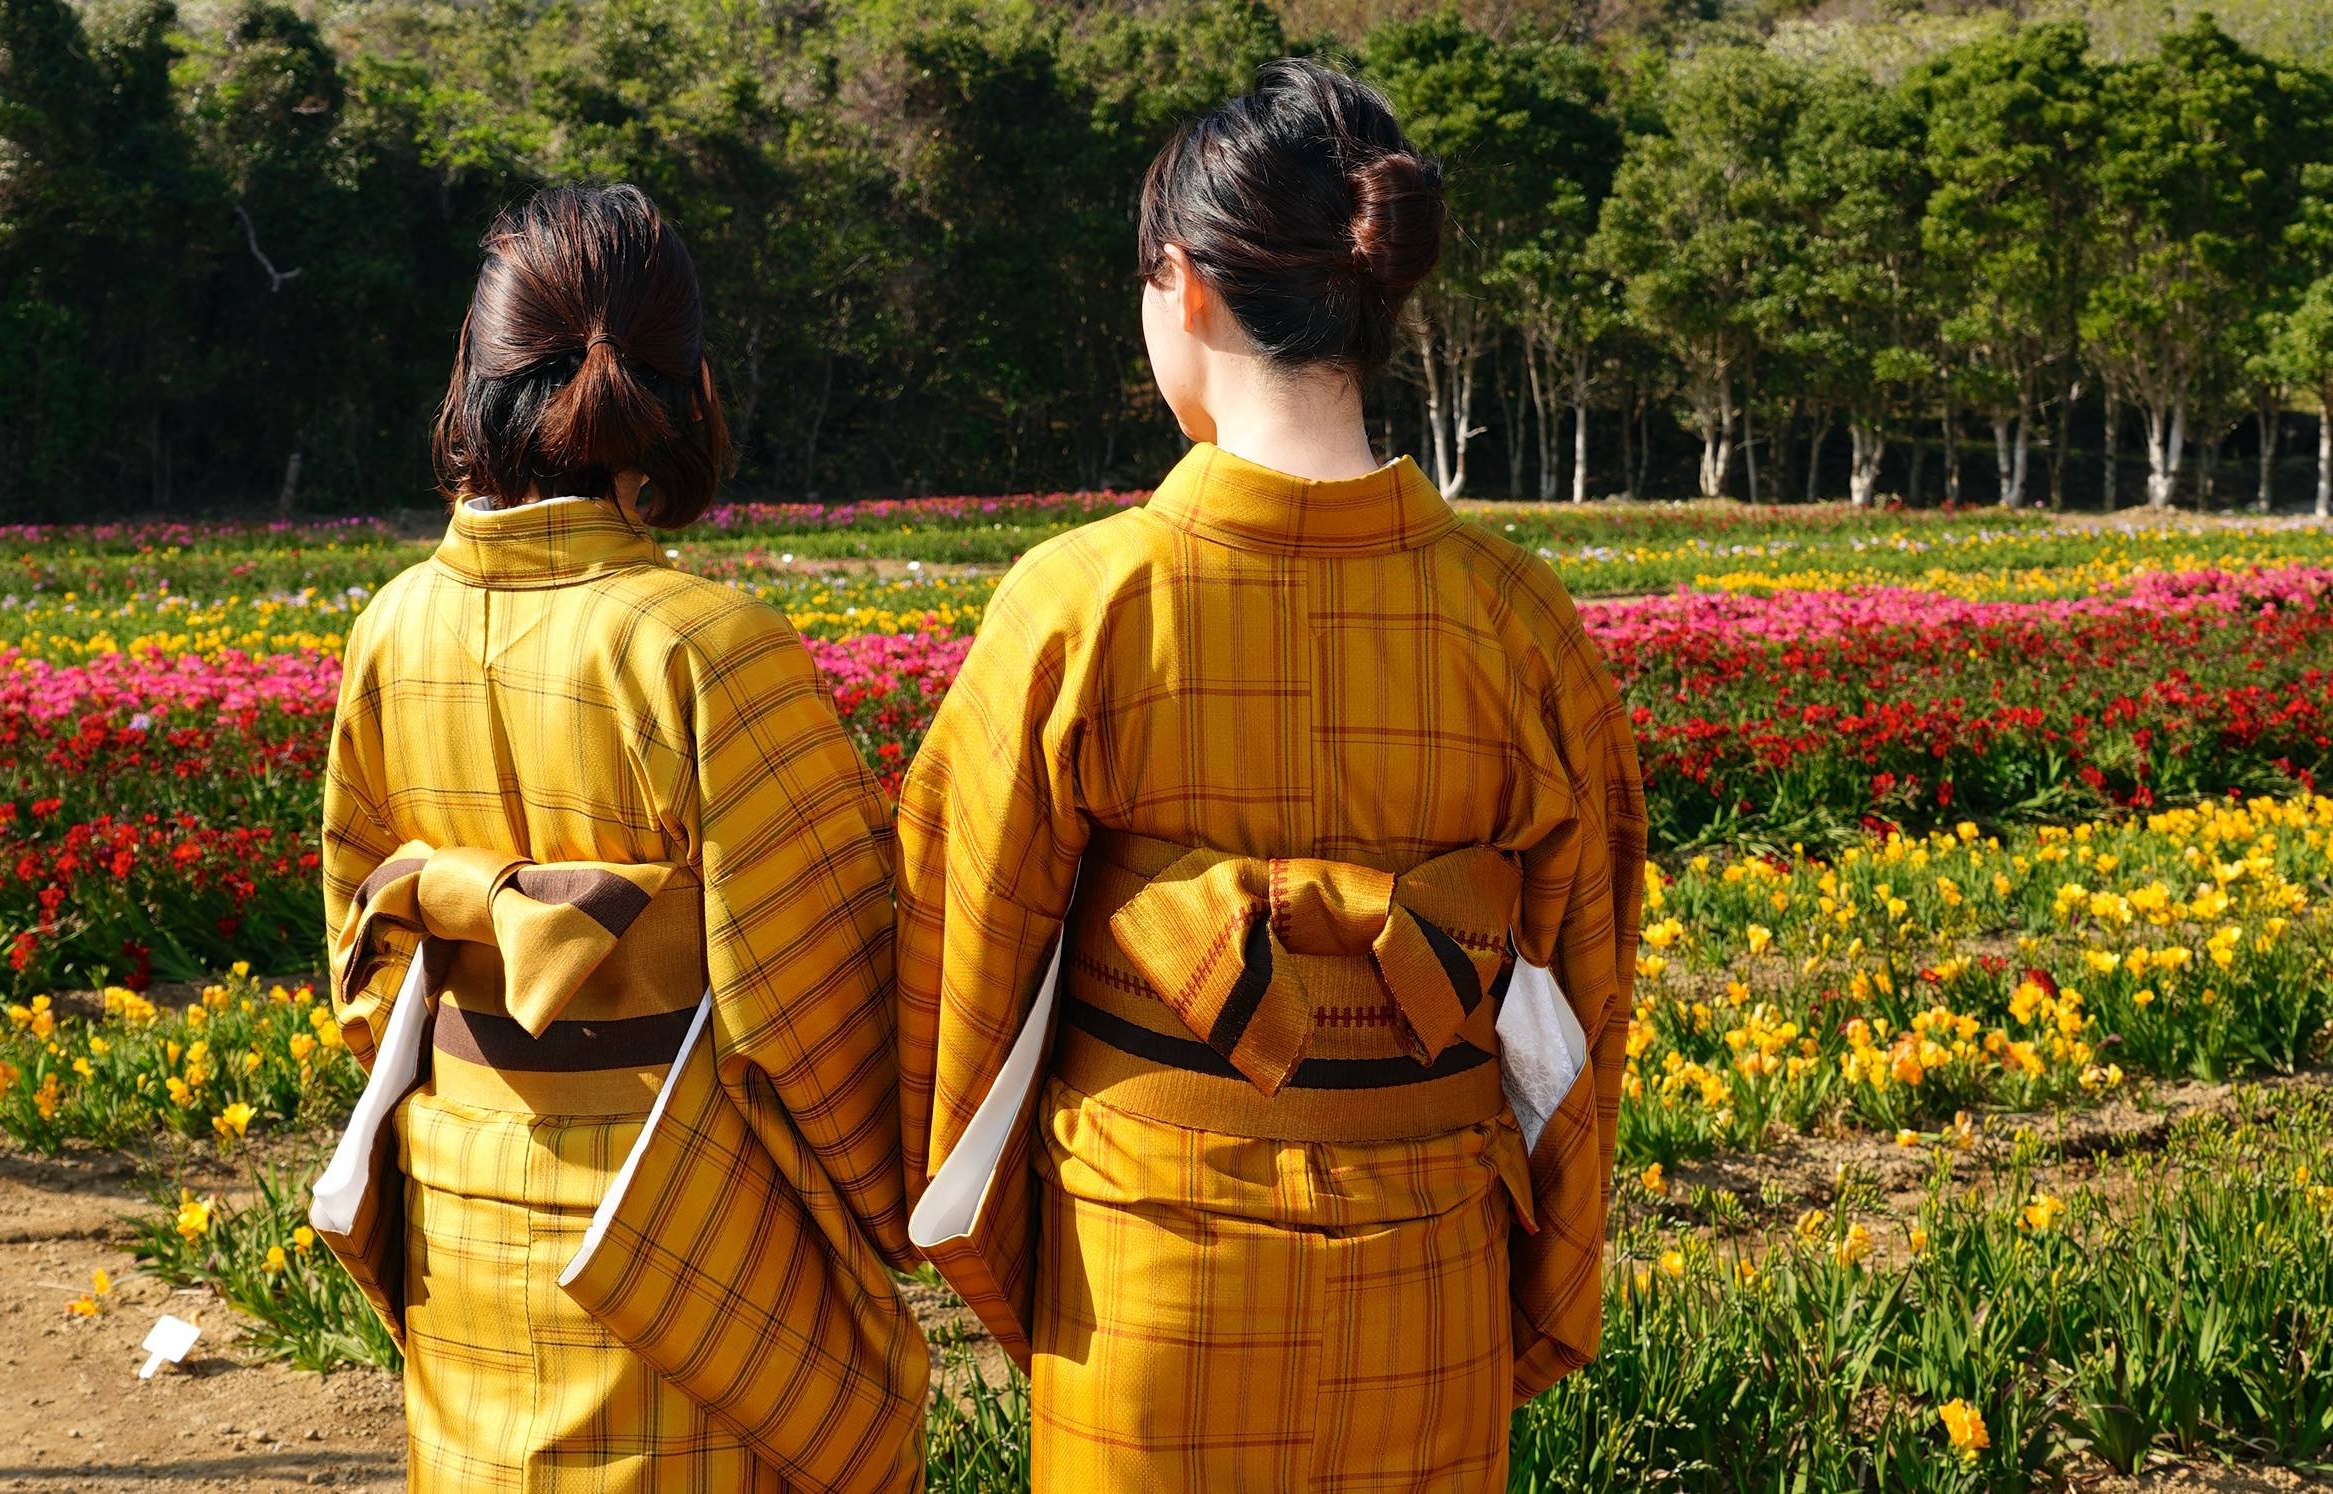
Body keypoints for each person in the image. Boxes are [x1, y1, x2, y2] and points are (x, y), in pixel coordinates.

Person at [894, 60, 1647, 1491]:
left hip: (1148, 1276)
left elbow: (957, 974)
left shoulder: (1081, 604)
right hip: (1427, 1275)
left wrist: (1026, 1259)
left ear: (1182, 283)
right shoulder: (1518, 620)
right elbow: (1581, 996)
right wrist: (1532, 1277)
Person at [314, 183, 926, 1494]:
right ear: (689, 388)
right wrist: (914, 1215)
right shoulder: (710, 650)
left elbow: (366, 986)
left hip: (467, 1235)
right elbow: (819, 1024)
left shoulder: (389, 631)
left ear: (473, 383)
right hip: (678, 1248)